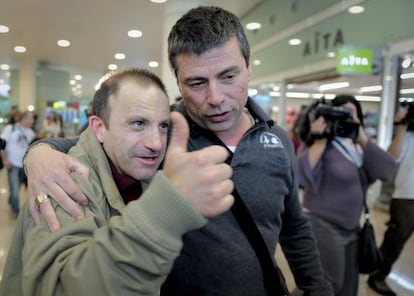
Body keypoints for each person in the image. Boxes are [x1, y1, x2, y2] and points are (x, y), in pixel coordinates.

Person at [23, 6, 334, 295]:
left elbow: (294, 226)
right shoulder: (165, 130)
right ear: (178, 82)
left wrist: (316, 286)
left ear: (248, 68)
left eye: (228, 76)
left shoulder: (277, 141)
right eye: (197, 83)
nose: (215, 97)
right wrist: (39, 153)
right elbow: (99, 142)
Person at [0, 67, 234, 295]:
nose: (156, 143)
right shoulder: (64, 182)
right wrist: (163, 214)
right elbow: (61, 286)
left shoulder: (144, 171)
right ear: (99, 129)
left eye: (163, 126)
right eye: (138, 123)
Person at [296, 95, 397, 296]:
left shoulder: (359, 146)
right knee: (326, 284)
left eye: (352, 113)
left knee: (349, 287)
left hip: (353, 228)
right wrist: (321, 138)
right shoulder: (321, 144)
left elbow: (387, 171)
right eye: (342, 113)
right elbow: (300, 176)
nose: (348, 118)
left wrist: (361, 136)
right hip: (323, 225)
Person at [367, 108, 414, 296]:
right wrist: (401, 126)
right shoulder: (408, 137)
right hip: (407, 198)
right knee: (394, 242)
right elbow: (391, 156)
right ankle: (377, 276)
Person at [0, 110, 36, 215]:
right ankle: (16, 211)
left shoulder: (31, 132)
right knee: (15, 188)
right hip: (12, 164)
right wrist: (5, 159)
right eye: (31, 118)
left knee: (18, 186)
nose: (33, 121)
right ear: (24, 119)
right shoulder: (10, 129)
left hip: (24, 165)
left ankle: (12, 199)